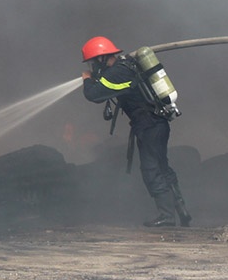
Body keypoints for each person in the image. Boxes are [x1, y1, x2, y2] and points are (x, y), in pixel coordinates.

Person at [80, 36, 191, 227]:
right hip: (157, 123)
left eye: (93, 62)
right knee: (162, 166)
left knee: (151, 169)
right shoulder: (127, 67)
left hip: (149, 126)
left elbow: (94, 95)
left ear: (101, 59)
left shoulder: (118, 73)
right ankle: (181, 209)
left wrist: (87, 80)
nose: (92, 67)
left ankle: (166, 215)